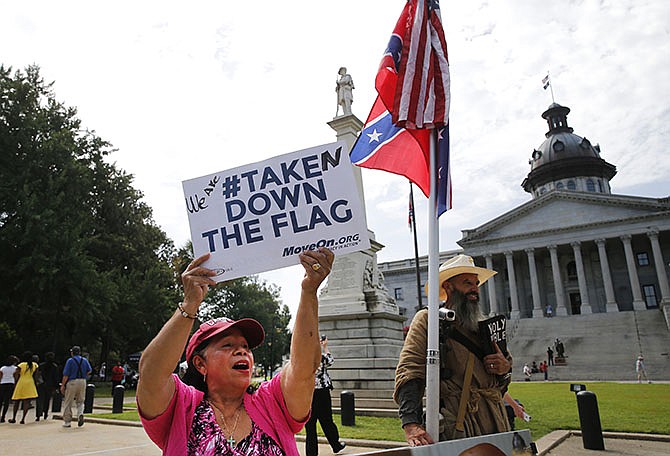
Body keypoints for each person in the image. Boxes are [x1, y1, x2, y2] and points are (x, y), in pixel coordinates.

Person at [137, 248, 334, 455]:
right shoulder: (180, 407)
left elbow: (304, 368)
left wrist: (309, 291)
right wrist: (190, 304)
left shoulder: (271, 402)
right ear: (200, 364)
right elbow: (151, 374)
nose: (242, 351)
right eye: (227, 345)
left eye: (246, 347)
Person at [394, 254, 512, 445]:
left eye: (476, 283)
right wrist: (411, 423)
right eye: (467, 283)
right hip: (457, 420)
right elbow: (410, 370)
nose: (474, 289)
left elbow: (503, 381)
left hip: (495, 418)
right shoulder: (428, 319)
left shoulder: (486, 325)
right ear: (448, 287)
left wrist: (504, 368)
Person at [305, 335, 346, 456]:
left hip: (308, 393)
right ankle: (335, 444)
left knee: (310, 425)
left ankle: (311, 453)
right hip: (322, 392)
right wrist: (325, 347)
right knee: (327, 420)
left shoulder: (304, 358)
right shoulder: (320, 357)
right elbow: (330, 360)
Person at [60, 345, 92, 428]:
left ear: (72, 353)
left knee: (68, 401)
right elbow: (89, 371)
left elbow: (66, 375)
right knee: (81, 401)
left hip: (72, 381)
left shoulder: (70, 361)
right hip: (82, 381)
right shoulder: (84, 360)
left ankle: (67, 421)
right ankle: (80, 414)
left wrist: (63, 385)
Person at [9, 351, 39, 424]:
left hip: (21, 382)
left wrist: (15, 382)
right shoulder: (34, 365)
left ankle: (14, 418)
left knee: (17, 401)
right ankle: (23, 419)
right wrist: (35, 383)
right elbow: (36, 376)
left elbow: (16, 374)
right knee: (26, 402)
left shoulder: (21, 365)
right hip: (30, 382)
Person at [39, 352, 60, 420]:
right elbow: (56, 377)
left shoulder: (41, 365)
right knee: (47, 399)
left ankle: (38, 414)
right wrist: (56, 386)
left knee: (40, 399)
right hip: (50, 385)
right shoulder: (54, 366)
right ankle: (45, 413)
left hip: (41, 384)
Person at [0, 355, 19, 423]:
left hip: (2, 384)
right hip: (10, 384)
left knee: (0, 400)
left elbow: (0, 377)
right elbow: (16, 377)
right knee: (6, 401)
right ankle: (3, 416)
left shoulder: (3, 368)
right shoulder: (15, 368)